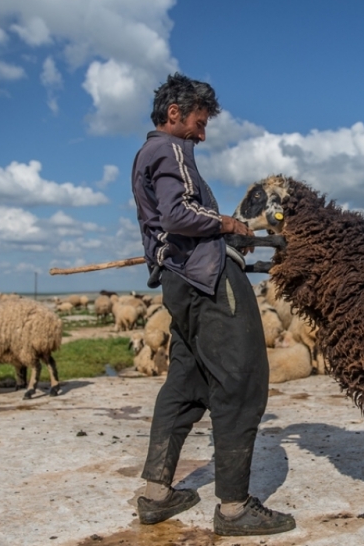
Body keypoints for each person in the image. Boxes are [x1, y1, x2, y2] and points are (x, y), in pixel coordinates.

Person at [131, 73, 295, 536]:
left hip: (179, 286)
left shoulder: (145, 155)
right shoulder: (170, 149)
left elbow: (163, 223)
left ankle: (156, 494)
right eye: (199, 125)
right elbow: (177, 213)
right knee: (242, 382)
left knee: (184, 385)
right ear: (174, 114)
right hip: (209, 283)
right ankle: (234, 509)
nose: (201, 136)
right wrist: (228, 225)